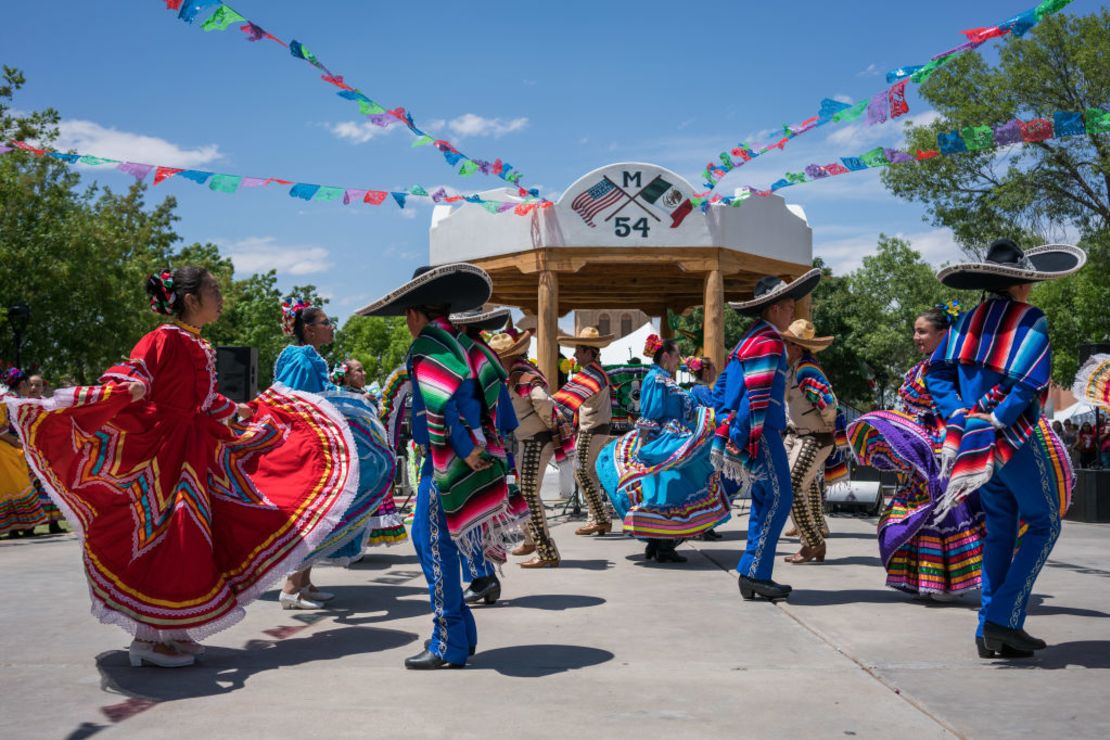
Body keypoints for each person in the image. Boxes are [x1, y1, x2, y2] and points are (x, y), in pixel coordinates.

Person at [4, 267, 358, 667]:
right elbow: (136, 371)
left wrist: (238, 409)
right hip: (163, 452)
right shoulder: (164, 338)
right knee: (158, 536)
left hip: (193, 450)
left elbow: (202, 400)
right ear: (190, 299)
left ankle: (169, 631)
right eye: (213, 289)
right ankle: (145, 638)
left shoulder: (194, 341)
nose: (221, 297)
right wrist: (129, 387)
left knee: (187, 540)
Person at [926, 239, 1083, 658]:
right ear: (1022, 284)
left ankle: (987, 629)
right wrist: (998, 416)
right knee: (1045, 522)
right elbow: (1031, 381)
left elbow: (936, 373)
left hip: (973, 444)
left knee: (1000, 530)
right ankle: (1003, 619)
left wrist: (959, 413)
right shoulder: (1031, 319)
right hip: (1011, 438)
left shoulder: (966, 320)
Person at [357, 263, 509, 669]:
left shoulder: (427, 343)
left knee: (434, 548)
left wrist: (464, 446)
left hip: (445, 463)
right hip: (459, 457)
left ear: (412, 312)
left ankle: (448, 642)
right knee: (440, 545)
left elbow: (445, 402)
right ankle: (464, 635)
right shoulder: (458, 341)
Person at [849, 306, 985, 599]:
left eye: (922, 331)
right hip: (922, 458)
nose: (915, 337)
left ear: (943, 333)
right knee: (919, 515)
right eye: (915, 330)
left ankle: (947, 583)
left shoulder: (963, 372)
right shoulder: (918, 373)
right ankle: (927, 580)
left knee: (945, 512)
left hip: (949, 453)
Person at [275, 300, 397, 608]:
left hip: (318, 446)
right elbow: (300, 403)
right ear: (309, 329)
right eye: (326, 322)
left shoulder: (310, 356)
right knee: (315, 513)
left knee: (323, 512)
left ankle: (304, 583)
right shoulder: (302, 359)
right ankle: (290, 587)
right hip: (310, 449)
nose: (331, 327)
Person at [716, 269, 822, 602]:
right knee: (779, 499)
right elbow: (755, 396)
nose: (793, 310)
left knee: (765, 499)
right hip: (762, 431)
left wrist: (734, 428)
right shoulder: (769, 339)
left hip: (754, 429)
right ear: (774, 307)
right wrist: (746, 433)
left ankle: (752, 571)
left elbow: (724, 388)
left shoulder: (750, 338)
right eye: (789, 305)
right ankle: (756, 572)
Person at [598, 335, 730, 562]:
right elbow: (650, 412)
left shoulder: (665, 379)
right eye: (677, 355)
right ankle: (663, 546)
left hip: (673, 437)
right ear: (666, 356)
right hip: (665, 442)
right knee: (669, 491)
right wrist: (643, 443)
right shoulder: (655, 380)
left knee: (668, 490)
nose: (679, 360)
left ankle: (659, 544)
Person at [448, 305, 520, 606]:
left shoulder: (463, 353)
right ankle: (485, 575)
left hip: (471, 443)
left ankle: (482, 576)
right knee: (482, 514)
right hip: (489, 440)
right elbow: (503, 409)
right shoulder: (486, 354)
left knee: (470, 513)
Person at [489, 327, 570, 568]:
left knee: (528, 495)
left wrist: (548, 425)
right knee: (524, 492)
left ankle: (547, 552)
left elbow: (542, 400)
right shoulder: (518, 373)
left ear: (504, 357)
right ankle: (531, 539)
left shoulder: (521, 374)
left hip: (535, 439)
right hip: (529, 439)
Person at [780, 320, 841, 564]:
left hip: (813, 437)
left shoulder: (806, 370)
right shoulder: (797, 368)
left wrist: (826, 425)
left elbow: (828, 403)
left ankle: (813, 543)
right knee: (799, 487)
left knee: (793, 488)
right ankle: (814, 540)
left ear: (795, 346)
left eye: (786, 343)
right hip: (802, 436)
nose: (783, 346)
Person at [332, 359, 409, 547]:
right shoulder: (340, 397)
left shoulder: (364, 394)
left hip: (368, 458)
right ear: (347, 376)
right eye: (359, 370)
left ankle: (357, 540)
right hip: (354, 458)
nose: (364, 373)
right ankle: (347, 541)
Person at [553, 328, 617, 536]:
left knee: (579, 471)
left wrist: (543, 404)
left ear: (589, 352)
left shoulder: (590, 374)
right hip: (597, 428)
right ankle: (596, 519)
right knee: (590, 473)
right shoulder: (597, 372)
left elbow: (566, 398)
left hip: (591, 429)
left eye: (579, 350)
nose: (575, 355)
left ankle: (600, 517)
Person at [0, 368, 48, 538]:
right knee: (18, 485)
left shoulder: (11, 400)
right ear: (22, 384)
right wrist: (19, 443)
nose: (31, 388)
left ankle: (18, 527)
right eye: (29, 384)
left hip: (14, 449)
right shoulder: (8, 401)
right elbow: (2, 428)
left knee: (18, 485)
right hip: (8, 450)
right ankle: (21, 526)